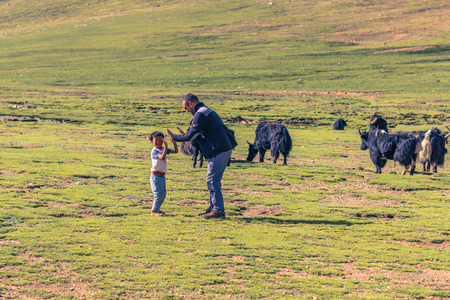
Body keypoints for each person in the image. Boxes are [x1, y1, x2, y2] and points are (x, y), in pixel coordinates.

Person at [167, 93, 237, 219]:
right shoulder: (205, 111)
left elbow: (192, 135)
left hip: (219, 150)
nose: (186, 111)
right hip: (222, 149)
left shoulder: (200, 114)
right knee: (213, 180)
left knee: (212, 180)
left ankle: (218, 210)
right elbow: (193, 134)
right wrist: (186, 135)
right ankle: (214, 207)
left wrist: (175, 138)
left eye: (186, 108)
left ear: (190, 104)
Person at [149, 131, 178, 216]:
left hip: (161, 176)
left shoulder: (162, 149)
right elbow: (162, 157)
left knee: (163, 194)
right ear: (152, 142)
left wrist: (174, 143)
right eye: (156, 140)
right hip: (155, 176)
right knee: (158, 194)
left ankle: (157, 210)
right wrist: (166, 147)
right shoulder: (154, 151)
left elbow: (175, 151)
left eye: (160, 140)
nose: (158, 142)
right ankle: (154, 211)